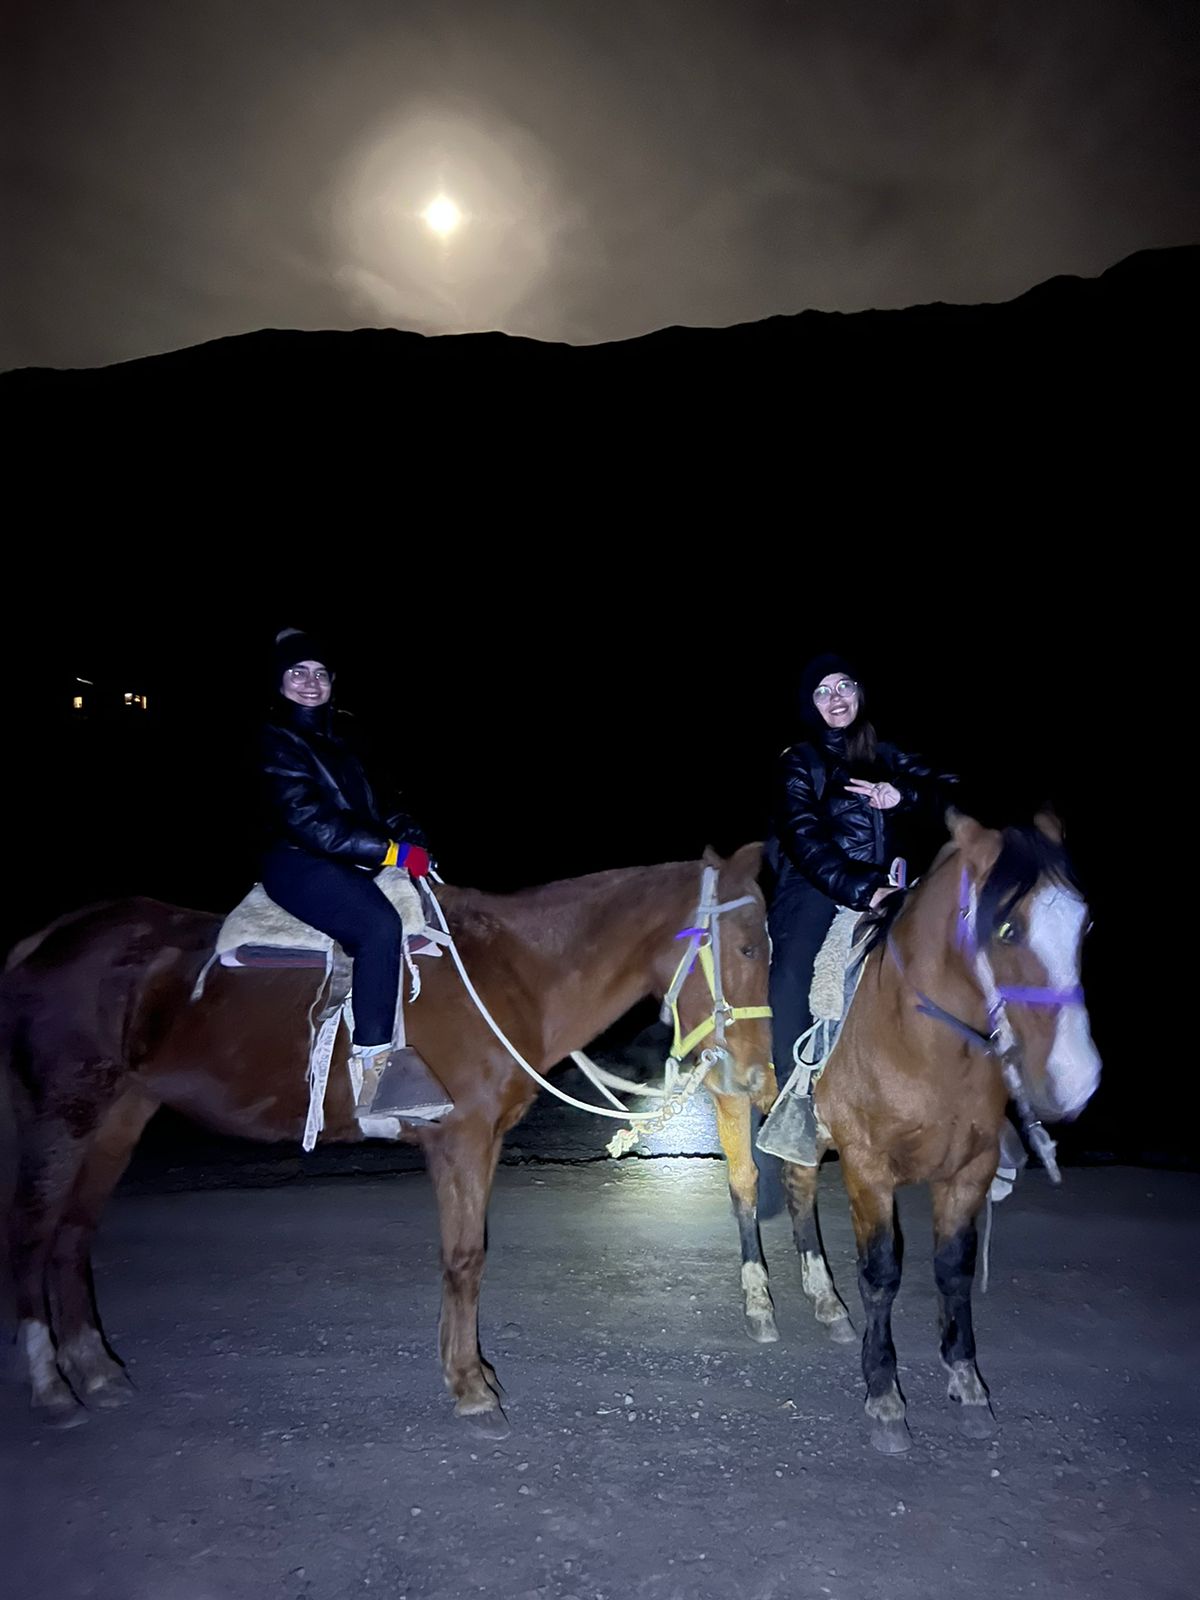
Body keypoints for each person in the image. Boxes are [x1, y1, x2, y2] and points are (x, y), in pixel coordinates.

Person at [259, 627, 450, 1121]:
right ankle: (374, 1073)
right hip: (299, 861)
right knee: (377, 927)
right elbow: (308, 821)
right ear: (279, 681)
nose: (309, 682)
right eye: (297, 672)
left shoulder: (347, 733)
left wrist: (413, 838)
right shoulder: (274, 738)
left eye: (320, 673)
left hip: (358, 856)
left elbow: (383, 800)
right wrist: (392, 852)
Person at [765, 652, 953, 1093]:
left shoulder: (889, 754)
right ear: (810, 704)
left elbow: (954, 796)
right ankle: (794, 1095)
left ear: (860, 693)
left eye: (844, 686)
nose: (836, 698)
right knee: (791, 972)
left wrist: (903, 795)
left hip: (895, 881)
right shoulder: (800, 762)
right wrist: (866, 890)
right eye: (822, 691)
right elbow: (803, 839)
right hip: (816, 885)